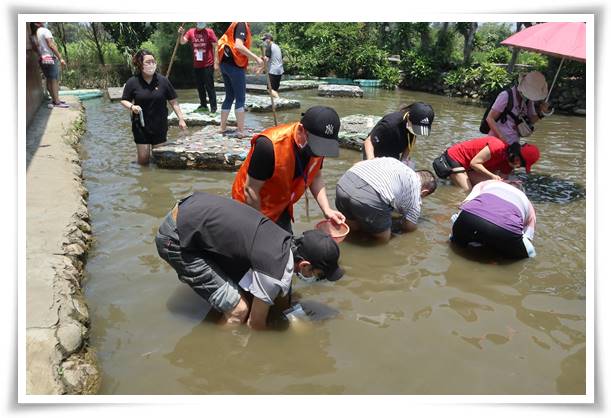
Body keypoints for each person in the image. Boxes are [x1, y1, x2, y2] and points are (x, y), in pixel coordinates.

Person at [155, 192, 345, 330]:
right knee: (239, 310)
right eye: (318, 275)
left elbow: (279, 290)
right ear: (304, 265)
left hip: (190, 209)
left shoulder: (283, 239)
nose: (317, 279)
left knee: (250, 295)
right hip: (176, 239)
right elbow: (255, 325)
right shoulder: (274, 273)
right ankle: (217, 363)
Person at [232, 106, 346, 234]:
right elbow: (250, 190)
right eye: (317, 145)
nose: (319, 152)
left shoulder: (318, 147)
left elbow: (316, 175)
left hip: (281, 204)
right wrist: (260, 227)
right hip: (251, 206)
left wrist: (327, 209)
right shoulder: (268, 146)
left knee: (285, 246)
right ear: (302, 130)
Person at [335, 157, 437, 243]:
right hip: (369, 197)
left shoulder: (395, 162)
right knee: (384, 238)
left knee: (354, 229)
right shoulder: (415, 191)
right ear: (424, 192)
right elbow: (409, 227)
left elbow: (359, 163)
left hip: (344, 183)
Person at [120, 50, 187, 165]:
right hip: (140, 125)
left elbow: (173, 101)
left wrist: (181, 119)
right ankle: (144, 180)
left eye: (153, 61)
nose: (151, 64)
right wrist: (132, 107)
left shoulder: (163, 81)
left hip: (159, 125)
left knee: (159, 159)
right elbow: (124, 100)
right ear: (140, 64)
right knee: (143, 160)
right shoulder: (133, 82)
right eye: (148, 62)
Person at [449, 179, 536, 259]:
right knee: (529, 253)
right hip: (503, 230)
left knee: (457, 244)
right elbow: (527, 236)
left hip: (469, 219)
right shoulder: (528, 204)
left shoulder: (487, 184)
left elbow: (465, 204)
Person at [432, 136, 540, 192]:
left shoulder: (508, 165)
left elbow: (499, 182)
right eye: (521, 164)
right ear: (517, 157)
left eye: (521, 166)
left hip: (468, 167)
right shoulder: (498, 146)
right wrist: (492, 176)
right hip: (455, 158)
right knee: (467, 191)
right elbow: (475, 163)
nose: (518, 166)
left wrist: (509, 184)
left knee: (483, 187)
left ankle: (450, 183)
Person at [217, 22, 264, 137]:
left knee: (229, 96)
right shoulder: (242, 24)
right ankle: (241, 131)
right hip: (234, 65)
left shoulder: (235, 23)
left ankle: (222, 128)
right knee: (240, 98)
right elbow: (238, 45)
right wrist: (256, 58)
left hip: (225, 64)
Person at [485, 71, 554, 145]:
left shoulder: (527, 100)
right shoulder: (506, 96)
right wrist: (501, 137)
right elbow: (489, 118)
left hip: (514, 143)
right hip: (495, 142)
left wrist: (542, 113)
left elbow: (531, 120)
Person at [362, 102, 435, 166]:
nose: (417, 132)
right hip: (375, 151)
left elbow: (409, 145)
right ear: (409, 117)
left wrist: (403, 161)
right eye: (416, 128)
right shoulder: (390, 124)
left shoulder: (413, 127)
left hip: (393, 153)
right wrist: (371, 160)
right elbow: (369, 142)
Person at [178, 22, 218, 113]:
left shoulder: (209, 32)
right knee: (200, 86)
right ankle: (203, 105)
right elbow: (182, 42)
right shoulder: (191, 32)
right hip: (197, 65)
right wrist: (181, 34)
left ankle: (213, 109)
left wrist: (216, 62)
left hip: (208, 64)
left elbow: (216, 46)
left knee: (209, 87)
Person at [29, 22, 68, 109]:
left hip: (41, 59)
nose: (43, 22)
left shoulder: (32, 36)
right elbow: (51, 45)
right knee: (54, 80)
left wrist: (42, 55)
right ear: (37, 23)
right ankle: (57, 102)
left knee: (49, 79)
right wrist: (60, 57)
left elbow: (35, 49)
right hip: (50, 58)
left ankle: (54, 100)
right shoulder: (44, 30)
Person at [261, 33, 284, 98]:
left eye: (264, 39)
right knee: (274, 90)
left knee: (269, 89)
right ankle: (277, 103)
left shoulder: (269, 46)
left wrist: (260, 69)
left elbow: (266, 60)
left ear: (269, 39)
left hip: (273, 71)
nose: (264, 41)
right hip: (280, 70)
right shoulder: (277, 46)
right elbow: (280, 57)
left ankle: (279, 100)